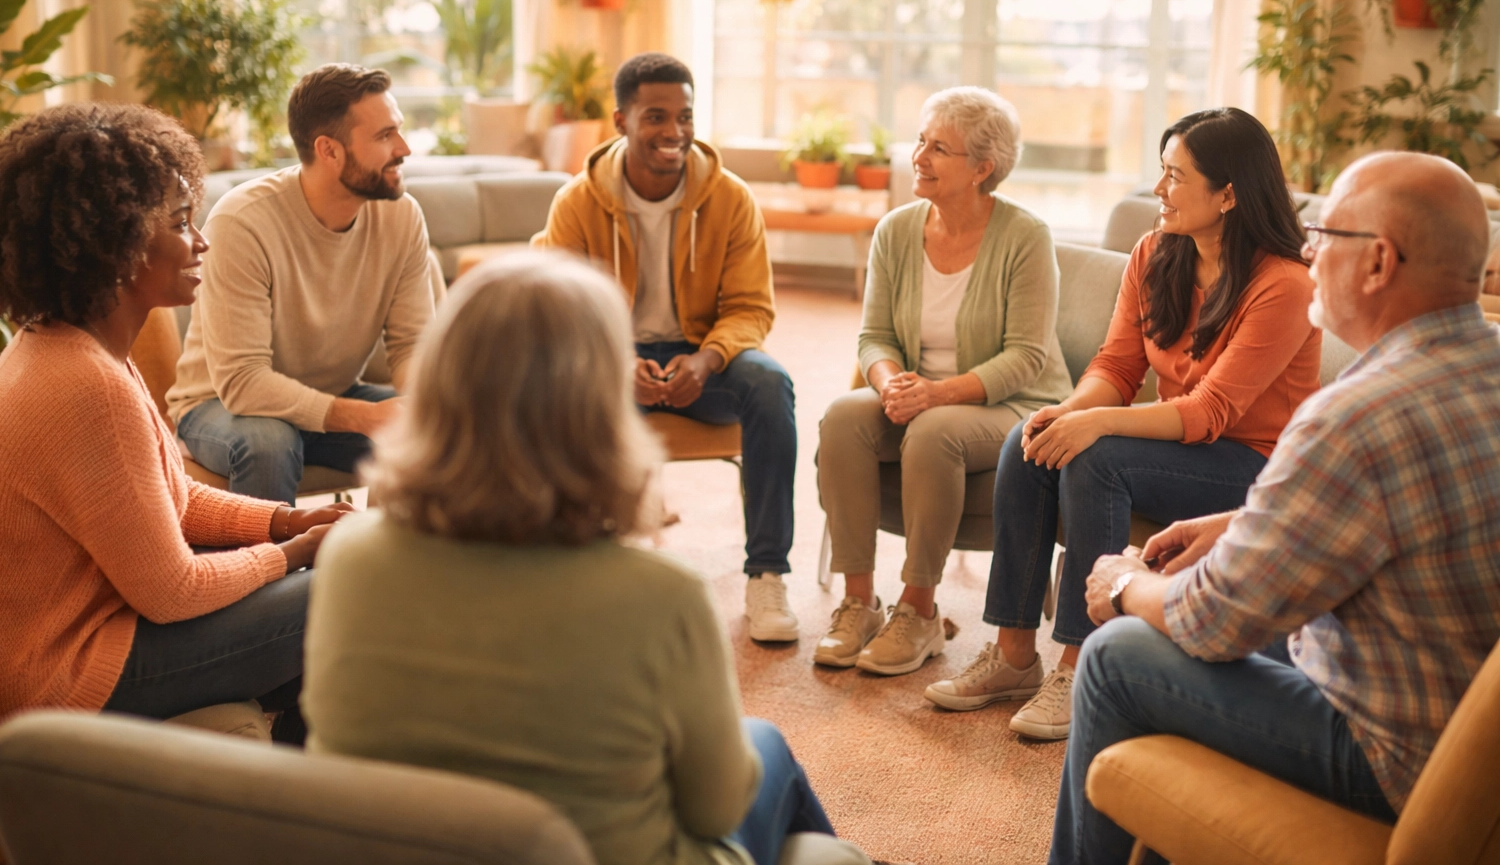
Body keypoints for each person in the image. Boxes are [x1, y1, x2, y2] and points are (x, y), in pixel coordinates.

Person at [302, 251, 865, 865]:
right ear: (600, 409)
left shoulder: (350, 559)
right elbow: (716, 809)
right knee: (767, 750)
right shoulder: (661, 595)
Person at [1051, 151, 1500, 865]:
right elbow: (1422, 511)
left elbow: (1214, 620)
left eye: (1324, 232)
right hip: (1457, 715)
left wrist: (1124, 583)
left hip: (1394, 754)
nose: (1308, 251)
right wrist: (1242, 525)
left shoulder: (1357, 415)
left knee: (1118, 653)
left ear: (1378, 262)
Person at [924, 107, 1321, 738]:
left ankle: (1081, 664)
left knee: (1099, 456)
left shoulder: (1285, 284)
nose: (1159, 189)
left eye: (1175, 176)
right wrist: (1070, 412)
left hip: (1252, 467)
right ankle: (1013, 655)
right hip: (1178, 447)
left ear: (1227, 194)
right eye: (1161, 171)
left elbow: (1210, 412)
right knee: (1029, 439)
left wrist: (1099, 426)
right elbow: (1116, 365)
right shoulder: (1155, 251)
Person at [0, 104, 346, 742]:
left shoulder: (73, 348)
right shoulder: (84, 383)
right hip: (57, 681)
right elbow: (171, 590)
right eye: (179, 222)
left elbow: (171, 500)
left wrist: (288, 521)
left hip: (84, 639)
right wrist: (292, 554)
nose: (200, 240)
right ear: (113, 244)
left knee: (326, 584)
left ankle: (287, 756)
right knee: (340, 590)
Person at [533, 52, 801, 643]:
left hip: (703, 355)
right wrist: (614, 361)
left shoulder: (730, 199)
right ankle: (581, 566)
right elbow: (560, 311)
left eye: (684, 116)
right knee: (546, 390)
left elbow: (751, 307)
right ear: (621, 121)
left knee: (769, 383)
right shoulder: (577, 202)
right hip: (611, 356)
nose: (674, 131)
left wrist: (707, 360)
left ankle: (767, 574)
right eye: (656, 116)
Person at [814, 87, 1072, 675]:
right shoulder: (896, 230)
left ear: (982, 169)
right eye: (920, 141)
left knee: (934, 432)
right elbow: (874, 336)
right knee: (844, 416)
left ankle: (919, 609)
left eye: (938, 148)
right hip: (916, 394)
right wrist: (889, 384)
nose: (919, 157)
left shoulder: (1026, 237)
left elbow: (1026, 357)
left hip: (1014, 402)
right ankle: (859, 603)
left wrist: (935, 394)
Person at [167, 64, 435, 503]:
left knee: (443, 433)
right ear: (329, 150)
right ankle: (274, 553)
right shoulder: (242, 222)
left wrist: (431, 406)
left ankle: (383, 548)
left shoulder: (402, 216)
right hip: (221, 404)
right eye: (385, 135)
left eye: (399, 131)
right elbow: (244, 382)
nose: (403, 148)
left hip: (333, 393)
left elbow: (411, 345)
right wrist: (364, 418)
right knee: (270, 443)